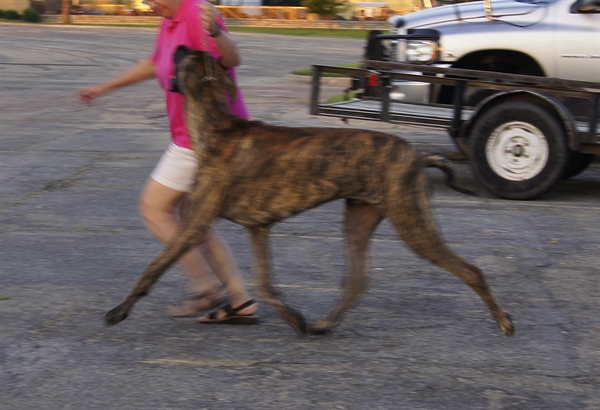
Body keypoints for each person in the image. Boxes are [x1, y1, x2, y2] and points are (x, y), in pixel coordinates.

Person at [78, 0, 258, 325]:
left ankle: (205, 287)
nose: (149, 5)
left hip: (206, 139)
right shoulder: (170, 19)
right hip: (195, 137)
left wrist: (216, 30)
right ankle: (240, 300)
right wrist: (105, 88)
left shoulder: (196, 14)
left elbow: (232, 59)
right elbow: (155, 62)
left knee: (155, 208)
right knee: (194, 221)